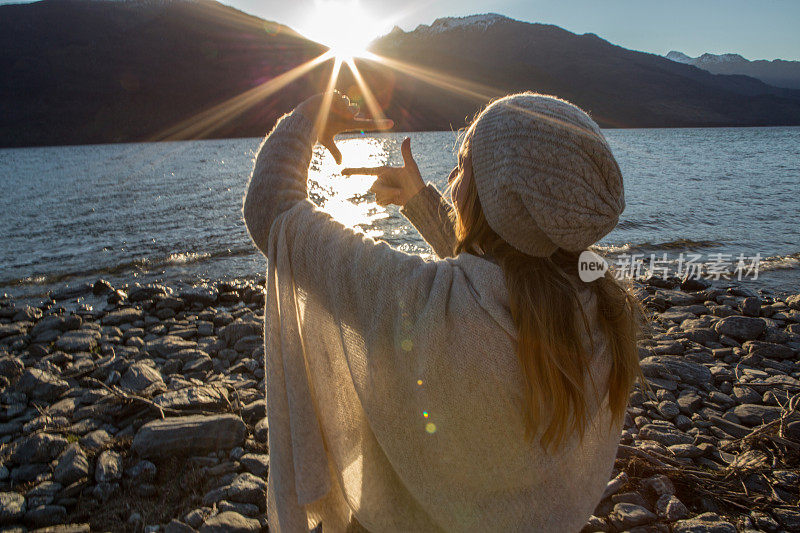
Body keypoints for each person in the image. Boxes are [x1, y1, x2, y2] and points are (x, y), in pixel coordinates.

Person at [242, 90, 646, 533]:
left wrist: (307, 117)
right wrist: (419, 201)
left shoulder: (417, 302)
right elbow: (502, 273)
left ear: (495, 195)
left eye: (465, 164)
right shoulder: (599, 311)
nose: (453, 174)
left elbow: (272, 211)